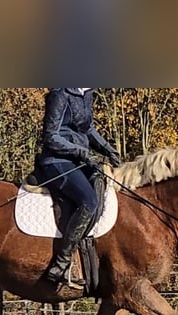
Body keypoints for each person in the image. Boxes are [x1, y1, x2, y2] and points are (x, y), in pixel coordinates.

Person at [37, 88, 121, 286]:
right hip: (56, 160)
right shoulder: (60, 94)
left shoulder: (86, 93)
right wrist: (81, 151)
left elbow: (88, 128)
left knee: (103, 186)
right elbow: (51, 136)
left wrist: (108, 149)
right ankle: (61, 263)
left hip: (77, 160)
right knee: (89, 201)